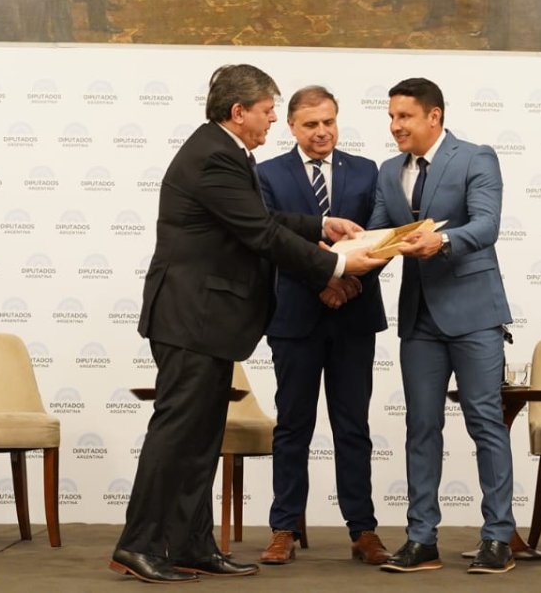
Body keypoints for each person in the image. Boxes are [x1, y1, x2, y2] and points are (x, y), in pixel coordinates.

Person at [111, 65, 387, 585]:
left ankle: (191, 545)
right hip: (191, 319)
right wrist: (335, 263)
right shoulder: (214, 156)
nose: (271, 121)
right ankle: (138, 545)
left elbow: (262, 218)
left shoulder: (225, 152)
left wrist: (319, 223)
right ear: (238, 112)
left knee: (200, 441)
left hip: (208, 322)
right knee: (177, 437)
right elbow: (259, 231)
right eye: (266, 111)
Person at [369, 78, 516, 575]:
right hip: (419, 319)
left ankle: (498, 537)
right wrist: (344, 259)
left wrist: (443, 242)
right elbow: (380, 238)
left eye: (404, 116)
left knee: (485, 423)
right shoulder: (389, 171)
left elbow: (486, 225)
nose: (395, 126)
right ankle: (420, 539)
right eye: (391, 117)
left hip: (475, 315)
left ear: (434, 116)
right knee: (421, 427)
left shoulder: (476, 157)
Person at [256, 86, 390, 567]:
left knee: (353, 426)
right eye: (311, 124)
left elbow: (381, 236)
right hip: (296, 316)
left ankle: (363, 530)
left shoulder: (367, 170)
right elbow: (270, 238)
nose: (322, 132)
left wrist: (350, 283)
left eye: (329, 122)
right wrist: (324, 280)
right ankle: (284, 529)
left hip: (354, 315)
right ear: (291, 126)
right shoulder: (267, 174)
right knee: (293, 426)